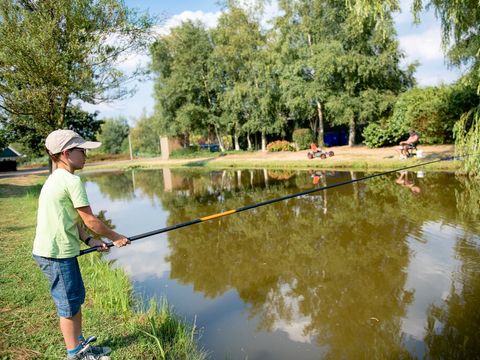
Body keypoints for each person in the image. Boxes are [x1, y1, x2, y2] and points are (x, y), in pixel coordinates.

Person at [32, 129, 130, 360]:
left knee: (73, 299)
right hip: (56, 253)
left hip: (56, 251)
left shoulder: (56, 178)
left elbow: (70, 221)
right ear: (66, 153)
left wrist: (89, 240)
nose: (86, 154)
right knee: (68, 305)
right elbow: (90, 221)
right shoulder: (72, 180)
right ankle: (74, 354)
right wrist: (115, 236)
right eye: (82, 150)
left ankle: (79, 345)